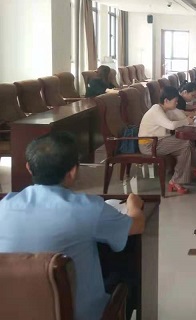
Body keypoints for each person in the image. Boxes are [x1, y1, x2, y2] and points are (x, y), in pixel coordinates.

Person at [0, 132, 145, 320]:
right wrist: (134, 205)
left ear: (29, 168)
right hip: (80, 315)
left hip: (14, 312)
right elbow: (137, 225)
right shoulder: (89, 208)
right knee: (124, 273)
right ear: (73, 171)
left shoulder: (4, 206)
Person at [139, 86, 196, 194]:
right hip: (149, 145)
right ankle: (190, 171)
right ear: (166, 101)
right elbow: (171, 125)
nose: (177, 103)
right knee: (185, 144)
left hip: (159, 141)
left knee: (186, 144)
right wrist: (186, 121)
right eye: (175, 101)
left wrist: (190, 118)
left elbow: (179, 116)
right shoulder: (156, 110)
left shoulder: (166, 109)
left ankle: (184, 174)